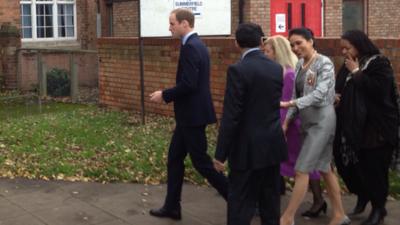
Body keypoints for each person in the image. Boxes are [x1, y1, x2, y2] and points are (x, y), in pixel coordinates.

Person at [149, 8, 228, 220]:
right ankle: (172, 207)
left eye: (172, 23)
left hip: (193, 116)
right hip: (188, 116)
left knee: (201, 162)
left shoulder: (192, 47)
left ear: (185, 24)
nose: (169, 27)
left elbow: (189, 84)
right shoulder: (194, 45)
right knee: (174, 159)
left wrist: (164, 95)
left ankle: (239, 199)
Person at [213, 22, 287, 225]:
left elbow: (232, 115)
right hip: (272, 144)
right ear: (261, 41)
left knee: (240, 203)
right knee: (270, 201)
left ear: (237, 43)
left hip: (246, 148)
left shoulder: (238, 70)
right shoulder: (276, 68)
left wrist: (221, 154)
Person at [279, 27, 349, 225]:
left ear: (311, 40)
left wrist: (290, 105)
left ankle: (287, 218)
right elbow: (296, 97)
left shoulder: (324, 62)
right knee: (325, 168)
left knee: (302, 169)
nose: (295, 47)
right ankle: (339, 215)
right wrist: (286, 122)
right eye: (292, 44)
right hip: (307, 122)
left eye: (299, 43)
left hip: (322, 121)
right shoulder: (300, 64)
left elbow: (319, 94)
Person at [334, 29, 399, 225]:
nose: (344, 52)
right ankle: (363, 195)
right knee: (349, 166)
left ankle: (379, 209)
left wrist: (356, 72)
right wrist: (337, 97)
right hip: (351, 127)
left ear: (360, 45)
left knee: (375, 170)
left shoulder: (379, 63)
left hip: (376, 129)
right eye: (342, 48)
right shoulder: (348, 64)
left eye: (348, 47)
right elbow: (341, 86)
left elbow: (379, 91)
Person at [263, 35, 327, 218]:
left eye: (267, 51)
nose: (265, 54)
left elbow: (292, 102)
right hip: (285, 123)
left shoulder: (289, 74)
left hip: (291, 126)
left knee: (302, 164)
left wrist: (283, 125)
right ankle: (315, 199)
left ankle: (317, 200)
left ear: (277, 52)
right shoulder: (282, 71)